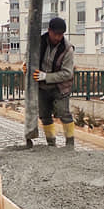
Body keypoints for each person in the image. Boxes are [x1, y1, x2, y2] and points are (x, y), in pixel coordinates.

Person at [31, 16, 76, 147]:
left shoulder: (67, 49)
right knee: (44, 115)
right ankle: (51, 144)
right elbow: (30, 56)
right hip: (42, 87)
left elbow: (68, 73)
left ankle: (70, 144)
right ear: (49, 31)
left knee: (64, 113)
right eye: (55, 34)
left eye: (61, 35)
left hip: (60, 87)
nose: (58, 37)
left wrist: (47, 77)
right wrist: (26, 66)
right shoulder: (38, 43)